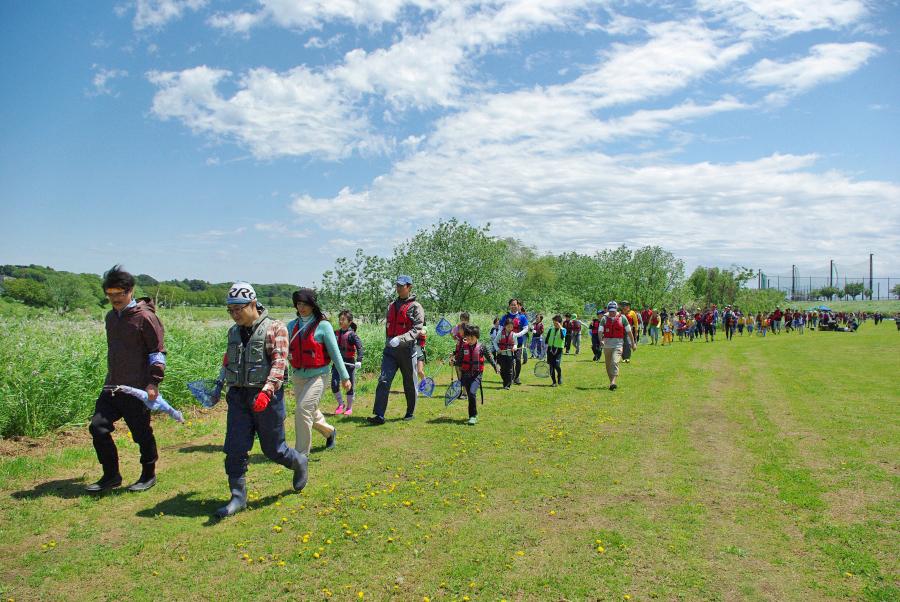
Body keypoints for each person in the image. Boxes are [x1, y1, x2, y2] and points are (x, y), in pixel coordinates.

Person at [213, 282, 308, 517]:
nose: (235, 315)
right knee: (234, 448)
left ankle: (298, 462)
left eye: (239, 309)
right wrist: (219, 383)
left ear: (253, 304)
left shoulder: (275, 328)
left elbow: (279, 362)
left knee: (273, 449)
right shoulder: (233, 332)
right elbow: (229, 360)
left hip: (267, 397)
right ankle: (238, 497)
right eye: (231, 310)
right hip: (238, 397)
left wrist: (267, 391)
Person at [87, 265, 167, 493]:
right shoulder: (111, 318)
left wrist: (154, 382)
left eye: (119, 294)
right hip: (112, 387)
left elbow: (157, 352)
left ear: (130, 291)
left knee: (141, 433)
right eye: (110, 294)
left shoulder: (145, 318)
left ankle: (148, 474)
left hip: (137, 388)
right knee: (98, 427)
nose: (114, 298)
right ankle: (111, 476)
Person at [287, 289, 351, 460]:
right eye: (298, 304)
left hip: (319, 376)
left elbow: (335, 353)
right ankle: (330, 432)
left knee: (303, 410)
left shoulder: (324, 326)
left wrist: (345, 377)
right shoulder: (291, 326)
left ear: (312, 306)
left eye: (305, 304)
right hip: (298, 376)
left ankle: (300, 456)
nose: (301, 308)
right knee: (309, 412)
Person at [368, 275, 425, 424]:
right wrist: (389, 341)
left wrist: (400, 339)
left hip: (407, 350)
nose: (399, 288)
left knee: (409, 382)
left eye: (402, 285)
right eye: (397, 285)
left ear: (409, 287)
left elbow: (416, 329)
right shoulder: (391, 305)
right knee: (383, 380)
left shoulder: (416, 307)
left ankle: (410, 411)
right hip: (390, 351)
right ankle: (379, 415)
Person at [450, 324, 499, 425]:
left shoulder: (481, 347)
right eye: (467, 338)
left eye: (472, 338)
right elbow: (459, 361)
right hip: (466, 374)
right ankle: (473, 413)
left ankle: (472, 416)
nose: (469, 340)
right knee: (470, 395)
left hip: (477, 374)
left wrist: (496, 367)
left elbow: (489, 358)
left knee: (472, 393)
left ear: (477, 337)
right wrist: (453, 363)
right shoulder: (464, 347)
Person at [332, 310, 364, 416]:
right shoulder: (335, 334)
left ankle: (349, 407)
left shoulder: (352, 335)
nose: (340, 321)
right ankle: (341, 404)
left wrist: (359, 360)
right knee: (334, 384)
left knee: (349, 386)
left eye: (343, 320)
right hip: (337, 363)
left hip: (349, 363)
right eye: (340, 319)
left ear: (350, 322)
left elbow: (360, 347)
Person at [598, 301, 635, 391]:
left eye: (613, 311)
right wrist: (601, 340)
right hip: (607, 344)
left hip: (618, 344)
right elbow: (600, 331)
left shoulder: (622, 318)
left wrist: (633, 344)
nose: (612, 312)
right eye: (610, 311)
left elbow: (629, 332)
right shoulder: (604, 318)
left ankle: (613, 382)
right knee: (608, 365)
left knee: (615, 362)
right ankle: (611, 382)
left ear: (617, 309)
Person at [499, 299, 528, 385]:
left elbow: (526, 328)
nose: (513, 306)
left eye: (515, 305)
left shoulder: (522, 317)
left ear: (518, 306)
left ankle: (516, 377)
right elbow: (500, 328)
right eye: (512, 305)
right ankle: (511, 376)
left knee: (518, 359)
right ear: (509, 306)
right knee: (510, 360)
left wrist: (517, 335)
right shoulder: (505, 317)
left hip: (518, 341)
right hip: (507, 342)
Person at [493, 317, 520, 389]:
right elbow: (495, 342)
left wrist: (514, 347)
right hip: (502, 355)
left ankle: (508, 384)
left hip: (510, 355)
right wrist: (498, 349)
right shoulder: (500, 334)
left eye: (511, 327)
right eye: (508, 327)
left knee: (510, 369)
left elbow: (515, 343)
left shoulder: (514, 335)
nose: (510, 328)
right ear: (505, 326)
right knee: (503, 369)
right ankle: (505, 380)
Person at [543, 314, 566, 386]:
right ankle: (554, 382)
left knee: (556, 365)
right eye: (554, 322)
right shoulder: (551, 329)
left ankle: (559, 375)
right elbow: (547, 338)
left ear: (560, 323)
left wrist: (560, 327)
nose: (555, 324)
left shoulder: (563, 330)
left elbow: (562, 337)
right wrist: (545, 345)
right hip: (550, 349)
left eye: (556, 323)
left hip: (558, 349)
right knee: (550, 365)